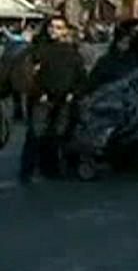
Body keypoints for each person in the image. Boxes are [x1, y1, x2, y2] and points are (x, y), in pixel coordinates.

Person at [16, 15, 87, 183]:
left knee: (57, 135)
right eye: (52, 27)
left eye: (59, 27)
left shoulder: (72, 52)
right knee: (36, 133)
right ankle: (27, 171)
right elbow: (28, 74)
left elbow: (80, 75)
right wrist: (39, 92)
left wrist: (74, 93)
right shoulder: (38, 50)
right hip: (42, 99)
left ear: (65, 31)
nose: (54, 31)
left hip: (64, 99)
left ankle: (51, 169)